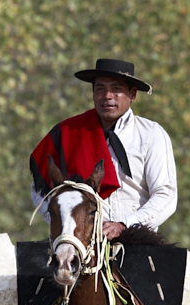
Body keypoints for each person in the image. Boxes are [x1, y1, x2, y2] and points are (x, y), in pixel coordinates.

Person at [29, 59, 177, 239]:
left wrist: (125, 225)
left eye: (116, 89)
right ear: (93, 94)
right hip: (79, 244)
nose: (107, 96)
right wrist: (65, 224)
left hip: (137, 240)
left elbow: (165, 194)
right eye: (100, 89)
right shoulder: (68, 132)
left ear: (132, 94)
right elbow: (40, 189)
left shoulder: (151, 134)